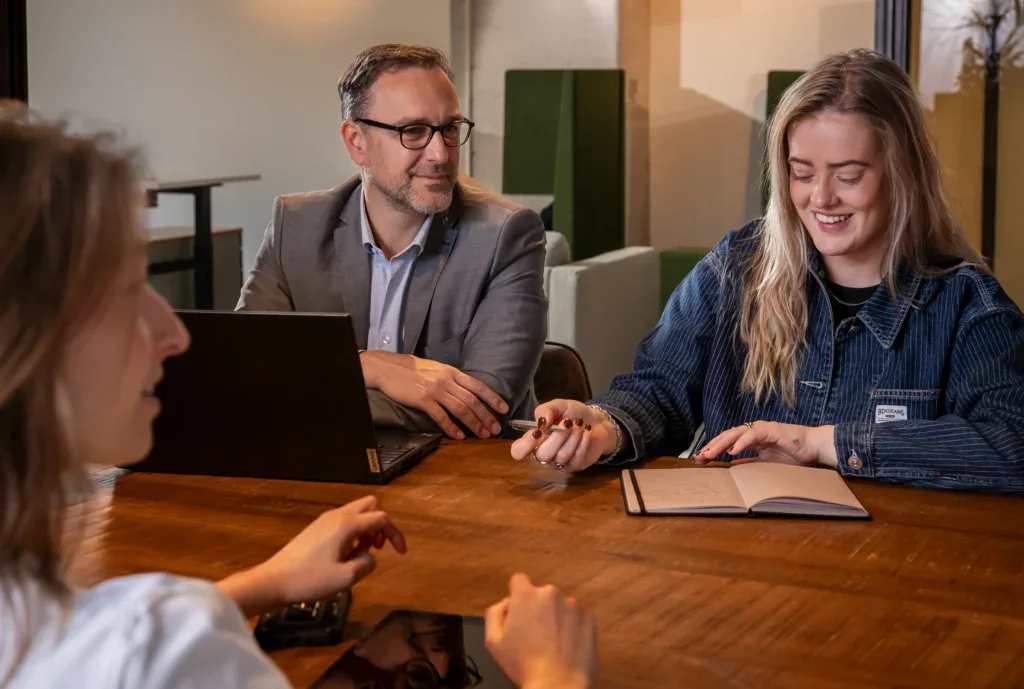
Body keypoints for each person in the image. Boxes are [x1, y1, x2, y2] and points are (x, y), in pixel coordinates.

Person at [0, 110, 596, 688]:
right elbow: (245, 378)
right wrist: (555, 675)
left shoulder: (80, 618)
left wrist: (261, 584)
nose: (174, 334)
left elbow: (105, 632)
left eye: (447, 129)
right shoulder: (167, 650)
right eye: (128, 291)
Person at [511, 48, 1024, 493]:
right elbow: (660, 388)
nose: (821, 198)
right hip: (740, 564)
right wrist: (605, 426)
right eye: (802, 174)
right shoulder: (737, 267)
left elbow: (1012, 444)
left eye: (848, 176)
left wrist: (820, 444)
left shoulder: (964, 304)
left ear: (903, 173)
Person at [236, 44, 547, 441]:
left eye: (449, 129)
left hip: (461, 481)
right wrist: (369, 367)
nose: (440, 153)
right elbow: (245, 369)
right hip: (323, 470)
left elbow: (481, 408)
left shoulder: (507, 235)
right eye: (413, 131)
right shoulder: (295, 227)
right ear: (356, 141)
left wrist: (308, 383)